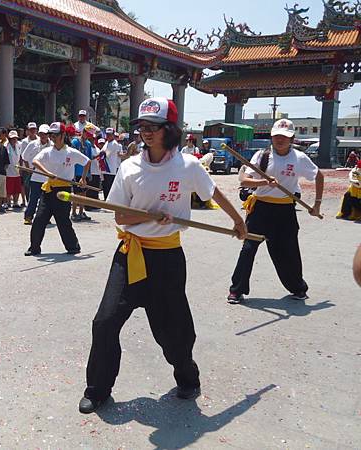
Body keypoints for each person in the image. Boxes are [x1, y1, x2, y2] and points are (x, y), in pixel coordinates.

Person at [78, 97, 247, 414]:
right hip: (131, 254)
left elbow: (213, 193)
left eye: (153, 127)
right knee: (104, 322)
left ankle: (187, 376)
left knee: (173, 331)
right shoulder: (129, 167)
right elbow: (120, 217)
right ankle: (98, 389)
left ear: (170, 130)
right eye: (142, 126)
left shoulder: (188, 166)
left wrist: (238, 221)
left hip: (168, 259)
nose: (146, 132)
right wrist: (149, 215)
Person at [228, 119, 323, 304]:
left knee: (288, 251)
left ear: (292, 138)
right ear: (272, 136)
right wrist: (263, 182)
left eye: (285, 137)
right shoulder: (262, 155)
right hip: (260, 209)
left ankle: (298, 288)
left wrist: (317, 204)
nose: (280, 140)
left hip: (285, 210)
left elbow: (318, 175)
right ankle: (236, 290)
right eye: (277, 136)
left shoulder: (299, 158)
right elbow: (243, 179)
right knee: (248, 249)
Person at [25, 122, 91, 256]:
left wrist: (83, 179)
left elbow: (87, 162)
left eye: (55, 135)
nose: (52, 138)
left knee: (63, 220)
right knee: (39, 219)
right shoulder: (47, 151)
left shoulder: (71, 152)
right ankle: (34, 248)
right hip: (48, 189)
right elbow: (35, 162)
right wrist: (47, 172)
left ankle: (73, 247)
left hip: (63, 190)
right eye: (51, 135)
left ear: (63, 135)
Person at [21, 124, 50, 225]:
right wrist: (28, 168)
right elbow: (24, 156)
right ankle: (28, 216)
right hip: (35, 177)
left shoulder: (52, 146)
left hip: (48, 178)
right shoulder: (32, 144)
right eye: (41, 134)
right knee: (33, 198)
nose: (43, 136)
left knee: (47, 200)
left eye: (45, 134)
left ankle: (45, 217)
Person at [71, 129, 95, 221]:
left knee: (83, 193)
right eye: (87, 134)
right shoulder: (75, 142)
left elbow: (89, 159)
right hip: (76, 171)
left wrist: (89, 172)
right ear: (83, 132)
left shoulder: (88, 144)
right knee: (76, 193)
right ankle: (73, 213)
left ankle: (81, 211)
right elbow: (72, 156)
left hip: (85, 172)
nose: (88, 136)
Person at [101, 127, 123, 199]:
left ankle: (109, 202)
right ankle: (106, 201)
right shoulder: (107, 142)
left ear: (113, 135)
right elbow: (102, 152)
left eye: (110, 134)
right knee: (105, 186)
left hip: (110, 169)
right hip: (105, 168)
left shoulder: (114, 143)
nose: (108, 136)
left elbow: (106, 154)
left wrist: (99, 155)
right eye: (107, 134)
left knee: (109, 187)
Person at [5, 130, 23, 209]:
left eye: (15, 138)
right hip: (8, 170)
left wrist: (21, 166)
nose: (14, 140)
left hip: (17, 169)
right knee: (8, 188)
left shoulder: (19, 145)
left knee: (17, 188)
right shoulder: (6, 146)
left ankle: (15, 202)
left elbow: (21, 157)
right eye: (12, 138)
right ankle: (8, 202)